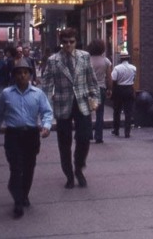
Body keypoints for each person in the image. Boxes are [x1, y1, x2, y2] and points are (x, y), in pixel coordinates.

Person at [0, 58, 53, 219]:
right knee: (16, 168)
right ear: (14, 75)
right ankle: (18, 202)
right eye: (19, 73)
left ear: (30, 75)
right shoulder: (6, 94)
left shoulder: (38, 94)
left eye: (25, 72)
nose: (22, 76)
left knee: (29, 168)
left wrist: (46, 126)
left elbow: (46, 112)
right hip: (13, 135)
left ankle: (24, 194)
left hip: (31, 135)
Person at [42, 28, 99, 188]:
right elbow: (46, 85)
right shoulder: (53, 60)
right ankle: (68, 174)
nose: (68, 45)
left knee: (84, 138)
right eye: (65, 42)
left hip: (82, 104)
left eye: (71, 42)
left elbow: (92, 80)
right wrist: (45, 107)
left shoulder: (84, 56)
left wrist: (95, 98)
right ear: (61, 42)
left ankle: (79, 168)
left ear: (76, 42)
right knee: (64, 143)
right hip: (62, 104)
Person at [87, 39, 112, 143]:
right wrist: (110, 89)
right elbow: (109, 77)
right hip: (100, 89)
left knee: (87, 112)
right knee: (99, 113)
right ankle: (99, 136)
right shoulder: (106, 61)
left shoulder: (86, 60)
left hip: (89, 90)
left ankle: (87, 134)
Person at [111, 53, 136, 138]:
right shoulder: (133, 68)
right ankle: (127, 132)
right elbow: (134, 79)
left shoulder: (117, 68)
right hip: (129, 89)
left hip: (119, 90)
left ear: (120, 59)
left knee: (117, 111)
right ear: (128, 59)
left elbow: (113, 79)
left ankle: (116, 130)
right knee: (128, 112)